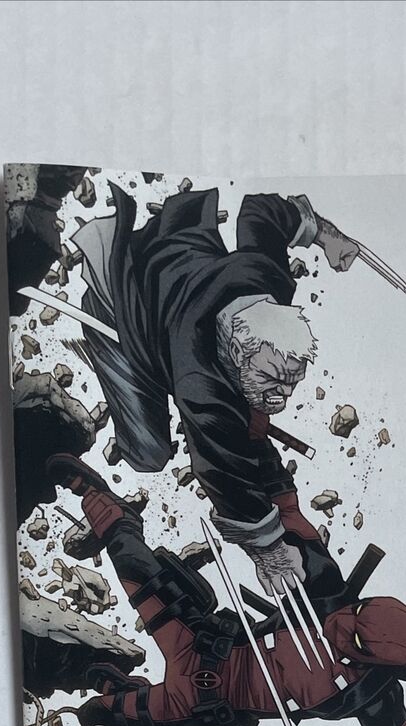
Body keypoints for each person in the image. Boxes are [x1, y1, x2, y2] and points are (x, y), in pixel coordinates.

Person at [49, 454, 406, 726]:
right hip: (202, 643)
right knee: (137, 569)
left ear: (376, 662)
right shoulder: (328, 591)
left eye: (356, 639)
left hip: (202, 703)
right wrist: (254, 438)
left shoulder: (374, 694)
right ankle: (99, 499)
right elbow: (287, 509)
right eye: (358, 610)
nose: (342, 623)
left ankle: (121, 689)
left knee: (97, 715)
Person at [73, 185, 362, 596]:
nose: (283, 397)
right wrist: (269, 550)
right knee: (148, 454)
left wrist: (327, 236)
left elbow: (262, 211)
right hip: (125, 303)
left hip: (175, 260)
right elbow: (221, 473)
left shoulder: (269, 278)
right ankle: (104, 354)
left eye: (290, 383)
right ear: (239, 351)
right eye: (273, 380)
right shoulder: (201, 386)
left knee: (249, 413)